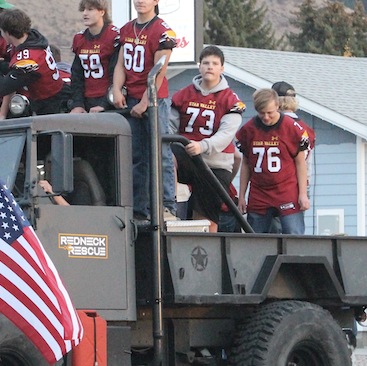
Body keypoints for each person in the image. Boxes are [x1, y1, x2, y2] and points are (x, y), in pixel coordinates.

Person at [111, 0, 177, 220]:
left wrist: (145, 101)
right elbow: (120, 64)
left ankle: (167, 206)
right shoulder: (126, 29)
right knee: (136, 155)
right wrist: (117, 90)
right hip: (131, 99)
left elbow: (159, 71)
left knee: (161, 152)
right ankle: (139, 209)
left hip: (155, 101)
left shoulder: (162, 31)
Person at [169, 45, 246, 232]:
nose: (210, 67)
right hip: (187, 155)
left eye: (214, 63)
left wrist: (202, 146)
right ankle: (168, 204)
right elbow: (169, 126)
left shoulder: (230, 100)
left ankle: (208, 247)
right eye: (206, 63)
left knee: (205, 221)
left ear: (222, 68)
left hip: (214, 163)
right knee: (166, 157)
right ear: (199, 66)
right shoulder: (184, 94)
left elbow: (226, 134)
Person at [236, 88, 310, 234]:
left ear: (277, 106)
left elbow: (300, 163)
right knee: (255, 237)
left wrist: (303, 194)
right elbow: (246, 164)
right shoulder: (248, 130)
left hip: (286, 190)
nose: (266, 117)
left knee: (293, 234)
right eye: (261, 113)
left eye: (269, 112)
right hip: (259, 192)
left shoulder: (291, 128)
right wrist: (242, 196)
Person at [0, 9, 71, 115]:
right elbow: (16, 68)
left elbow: (3, 88)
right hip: (55, 95)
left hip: (53, 104)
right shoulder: (33, 40)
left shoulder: (28, 59)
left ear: (7, 33)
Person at [69, 0, 119, 114]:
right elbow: (77, 75)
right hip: (87, 100)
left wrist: (105, 103)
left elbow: (116, 73)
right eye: (83, 9)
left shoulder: (113, 36)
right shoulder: (79, 38)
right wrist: (78, 104)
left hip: (108, 99)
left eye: (90, 9)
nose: (85, 13)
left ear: (102, 12)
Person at [272, 81, 315, 193]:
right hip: (300, 186)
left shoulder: (272, 127)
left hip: (276, 185)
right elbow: (308, 165)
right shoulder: (306, 130)